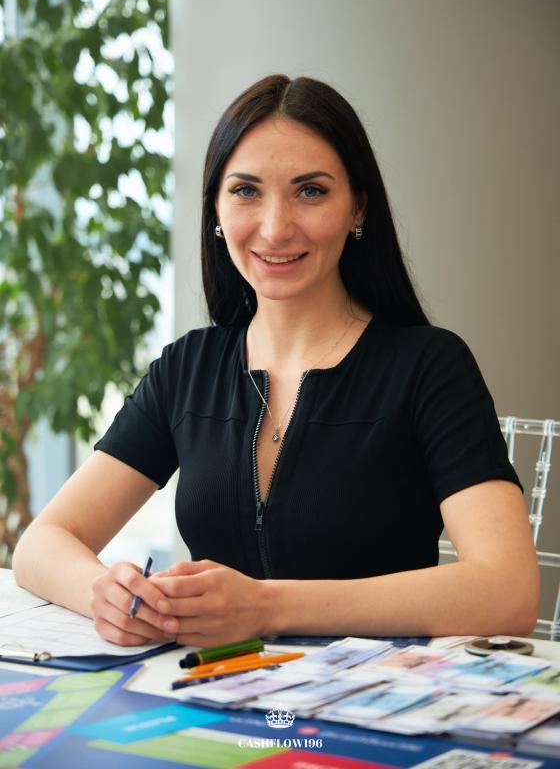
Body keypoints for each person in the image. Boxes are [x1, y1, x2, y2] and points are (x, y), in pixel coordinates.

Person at [13, 74, 540, 648]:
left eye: (310, 191)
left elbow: (508, 591)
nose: (275, 227)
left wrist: (266, 607)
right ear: (216, 211)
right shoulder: (188, 368)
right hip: (206, 690)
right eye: (246, 191)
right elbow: (41, 545)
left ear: (358, 207)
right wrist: (107, 594)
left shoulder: (430, 366)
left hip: (368, 698)